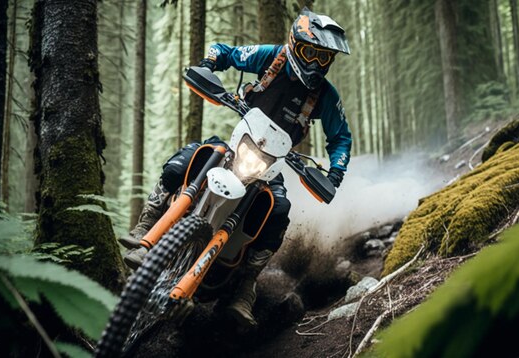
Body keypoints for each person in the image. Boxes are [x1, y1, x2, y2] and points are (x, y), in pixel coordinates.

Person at [119, 8, 352, 327]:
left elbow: (341, 136)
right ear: (295, 45)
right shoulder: (273, 57)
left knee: (279, 208)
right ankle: (146, 226)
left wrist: (335, 173)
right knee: (188, 158)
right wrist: (209, 64)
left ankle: (245, 289)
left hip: (273, 163)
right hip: (240, 141)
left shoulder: (325, 95)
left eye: (323, 58)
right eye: (310, 52)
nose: (315, 63)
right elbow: (225, 51)